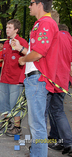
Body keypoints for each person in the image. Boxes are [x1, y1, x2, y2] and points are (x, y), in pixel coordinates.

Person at [16, 0, 59, 157]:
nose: (29, 6)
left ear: (39, 5)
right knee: (36, 123)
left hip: (38, 79)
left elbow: (39, 53)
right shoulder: (42, 23)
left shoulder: (46, 23)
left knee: (37, 125)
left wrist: (23, 59)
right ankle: (36, 152)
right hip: (36, 79)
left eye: (31, 3)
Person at [0, 19, 28, 137]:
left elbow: (29, 56)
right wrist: (0, 76)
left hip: (16, 79)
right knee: (3, 102)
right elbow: (4, 61)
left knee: (15, 103)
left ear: (16, 29)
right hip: (5, 78)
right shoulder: (5, 43)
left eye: (10, 27)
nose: (7, 29)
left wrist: (19, 48)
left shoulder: (21, 42)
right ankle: (6, 122)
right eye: (7, 27)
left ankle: (17, 127)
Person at [46, 24, 72, 154]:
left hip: (54, 79)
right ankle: (55, 137)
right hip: (64, 79)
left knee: (57, 111)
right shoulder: (69, 39)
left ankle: (67, 142)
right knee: (55, 109)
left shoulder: (55, 37)